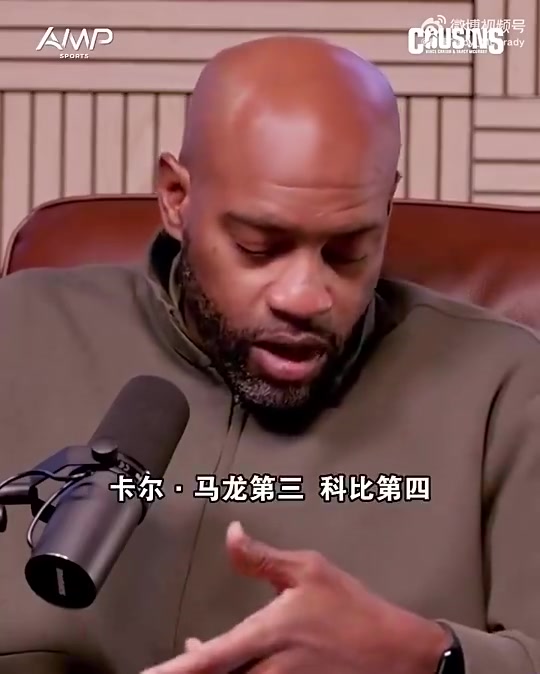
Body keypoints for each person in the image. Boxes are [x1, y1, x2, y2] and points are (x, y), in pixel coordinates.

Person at [0, 36, 538, 674]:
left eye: (348, 250)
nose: (305, 298)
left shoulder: (502, 386)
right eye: (258, 247)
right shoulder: (20, 328)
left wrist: (424, 655)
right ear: (176, 197)